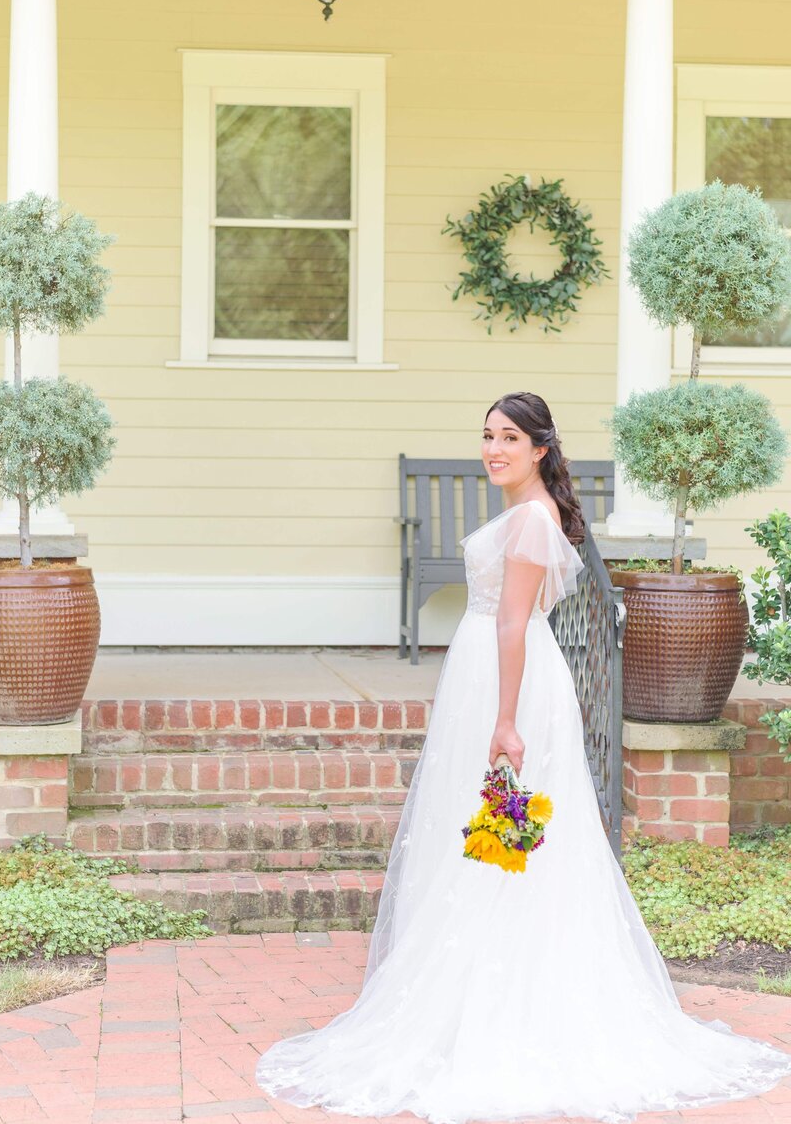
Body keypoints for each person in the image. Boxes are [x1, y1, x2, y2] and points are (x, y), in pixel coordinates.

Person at [256, 390, 791, 1124]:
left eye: (510, 437)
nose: (493, 448)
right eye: (486, 435)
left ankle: (506, 1001)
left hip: (510, 685)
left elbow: (513, 618)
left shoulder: (534, 520)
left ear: (541, 447)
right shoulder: (528, 514)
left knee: (509, 844)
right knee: (492, 842)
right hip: (492, 674)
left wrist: (504, 722)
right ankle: (476, 985)